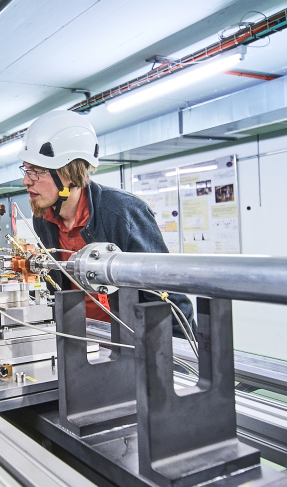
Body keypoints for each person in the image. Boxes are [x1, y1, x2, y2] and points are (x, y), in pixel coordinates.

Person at [18, 109, 195, 331]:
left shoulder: (122, 213)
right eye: (26, 170)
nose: (26, 180)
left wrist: (176, 358)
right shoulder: (44, 219)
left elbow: (166, 295)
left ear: (69, 173)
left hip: (131, 342)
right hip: (81, 341)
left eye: (36, 171)